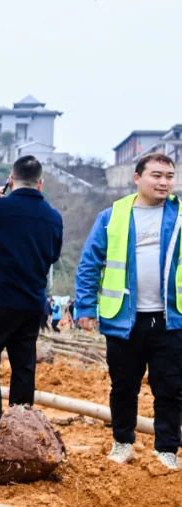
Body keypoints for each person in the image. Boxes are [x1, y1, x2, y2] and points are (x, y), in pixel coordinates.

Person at [74, 152, 182, 470]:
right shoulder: (113, 216)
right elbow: (90, 263)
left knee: (170, 387)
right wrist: (85, 307)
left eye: (169, 176)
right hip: (125, 319)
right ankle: (123, 442)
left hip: (170, 319)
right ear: (137, 178)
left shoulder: (178, 216)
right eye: (156, 175)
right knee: (124, 385)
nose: (163, 182)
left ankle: (167, 450)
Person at [0, 155, 63, 423]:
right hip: (31, 304)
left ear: (11, 179)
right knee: (24, 366)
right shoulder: (53, 217)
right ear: (40, 184)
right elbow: (53, 256)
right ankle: (19, 424)